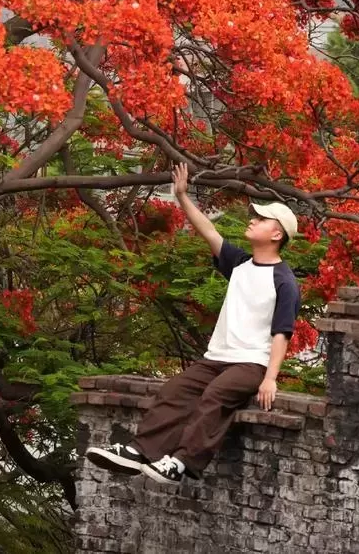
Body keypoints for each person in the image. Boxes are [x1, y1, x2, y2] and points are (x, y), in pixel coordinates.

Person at [85, 163, 301, 486]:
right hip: (216, 359)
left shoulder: (285, 281)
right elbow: (209, 232)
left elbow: (281, 332)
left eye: (261, 219)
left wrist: (270, 379)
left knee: (214, 395)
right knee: (174, 390)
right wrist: (182, 196)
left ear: (276, 233)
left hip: (250, 365)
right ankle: (138, 452)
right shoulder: (241, 265)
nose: (252, 220)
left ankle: (182, 462)